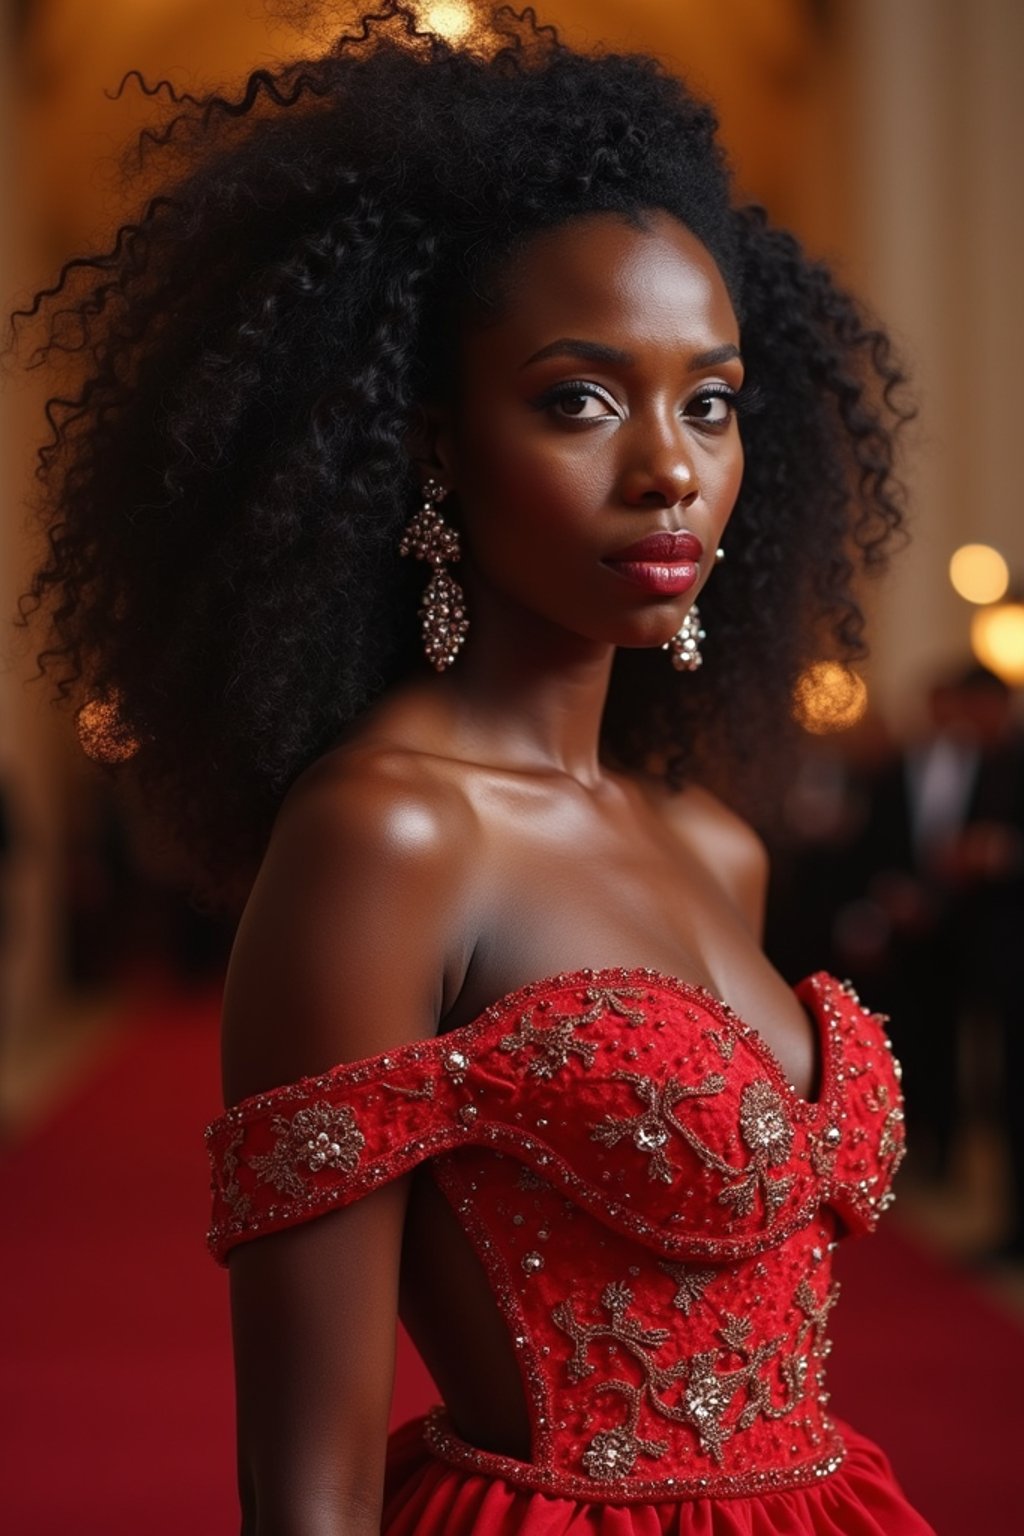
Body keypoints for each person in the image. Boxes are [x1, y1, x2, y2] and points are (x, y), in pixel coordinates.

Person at [14, 4, 933, 1531]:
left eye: (709, 400)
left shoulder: (714, 845)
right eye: (581, 398)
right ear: (428, 445)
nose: (671, 468)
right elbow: (302, 1486)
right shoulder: (387, 839)